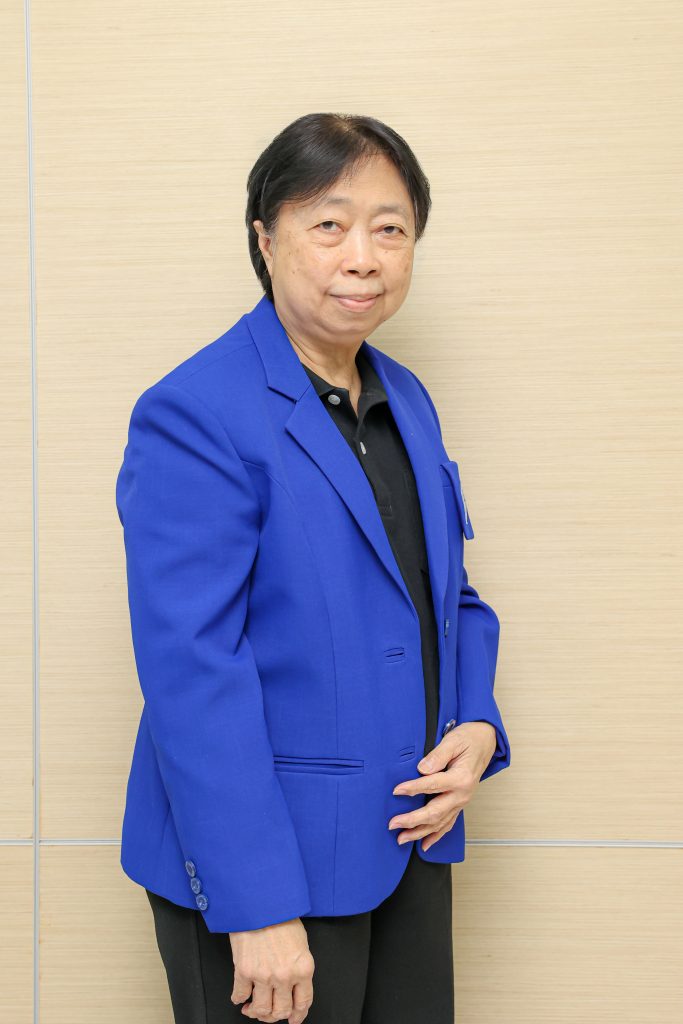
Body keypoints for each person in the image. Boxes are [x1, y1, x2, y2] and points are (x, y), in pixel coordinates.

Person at [115, 112, 511, 1024]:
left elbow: (444, 596)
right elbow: (191, 672)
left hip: (407, 839)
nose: (362, 257)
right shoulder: (195, 411)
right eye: (328, 225)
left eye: (390, 228)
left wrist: (477, 723)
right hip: (266, 872)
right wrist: (254, 905)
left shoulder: (405, 396)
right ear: (265, 239)